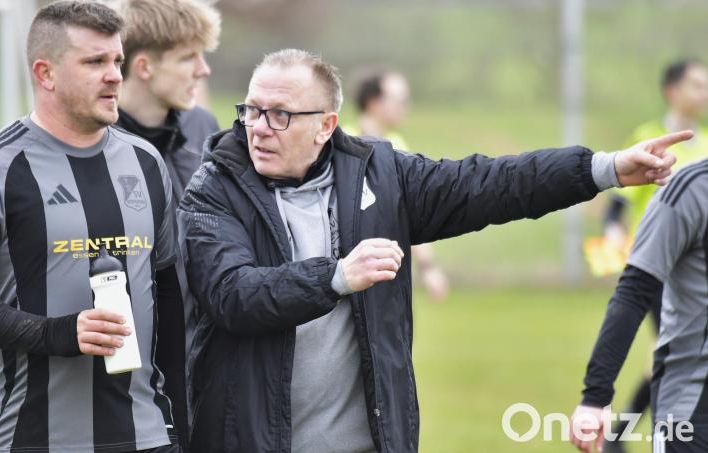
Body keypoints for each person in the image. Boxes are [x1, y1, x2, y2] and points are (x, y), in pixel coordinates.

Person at [176, 48, 688, 452]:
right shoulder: (213, 188)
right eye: (252, 110)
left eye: (281, 115)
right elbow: (231, 295)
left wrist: (604, 169)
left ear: (326, 126)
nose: (258, 127)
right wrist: (335, 276)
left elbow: (488, 183)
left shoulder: (379, 172)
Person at [0, 2, 182, 452]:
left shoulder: (146, 163)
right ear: (46, 74)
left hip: (147, 436)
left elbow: (168, 293)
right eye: (95, 61)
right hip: (31, 437)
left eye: (117, 60)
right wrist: (56, 334)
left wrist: (180, 423)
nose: (115, 75)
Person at [115, 0, 220, 446]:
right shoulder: (94, 140)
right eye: (187, 57)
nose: (203, 70)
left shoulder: (204, 128)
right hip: (122, 370)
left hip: (203, 359)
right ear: (143, 66)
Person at [596, 59, 708, 453]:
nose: (705, 91)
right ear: (672, 91)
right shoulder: (648, 136)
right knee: (672, 350)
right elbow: (617, 204)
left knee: (666, 352)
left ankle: (622, 433)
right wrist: (613, 234)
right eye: (697, 84)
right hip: (658, 269)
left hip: (698, 272)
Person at [570, 159, 708, 453]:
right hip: (692, 406)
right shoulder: (691, 187)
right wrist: (596, 396)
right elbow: (632, 293)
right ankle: (619, 432)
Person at [347, 69, 450, 301]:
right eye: (400, 101)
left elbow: (407, 211)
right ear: (374, 102)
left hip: (385, 278)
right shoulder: (345, 144)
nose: (406, 108)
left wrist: (428, 267)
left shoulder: (396, 146)